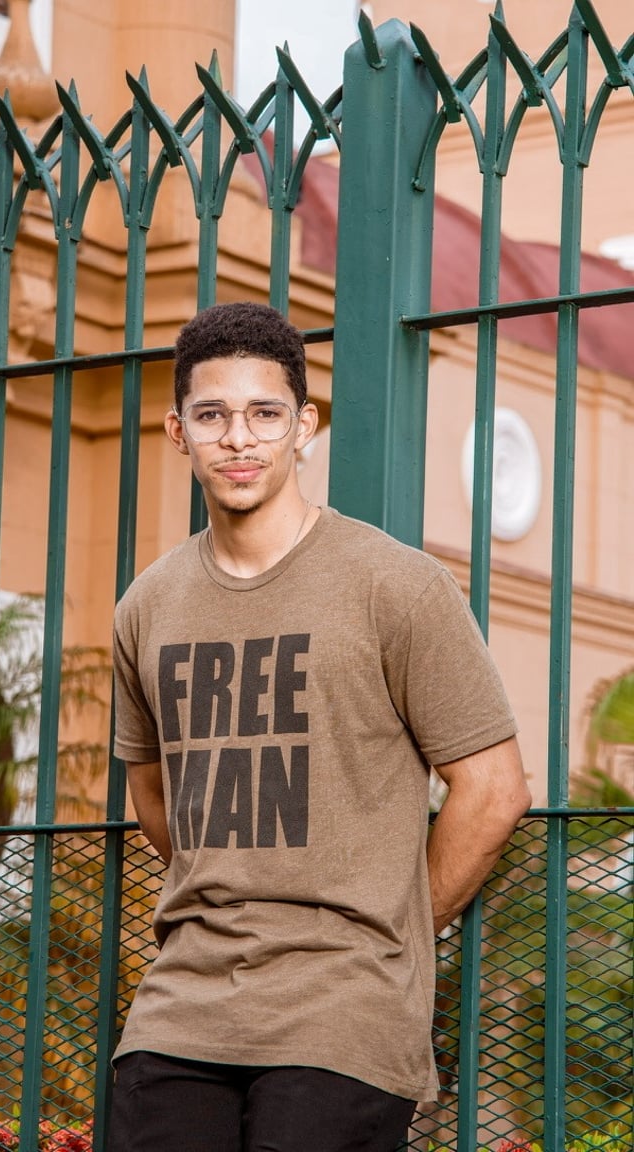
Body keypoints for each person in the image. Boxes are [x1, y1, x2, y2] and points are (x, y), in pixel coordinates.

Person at [108, 301, 531, 1152]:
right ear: (177, 431)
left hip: (343, 1008)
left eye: (265, 413)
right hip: (180, 1007)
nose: (239, 438)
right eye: (212, 415)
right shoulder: (147, 605)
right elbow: (155, 793)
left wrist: (390, 923)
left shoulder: (395, 586)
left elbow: (494, 791)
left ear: (304, 426)